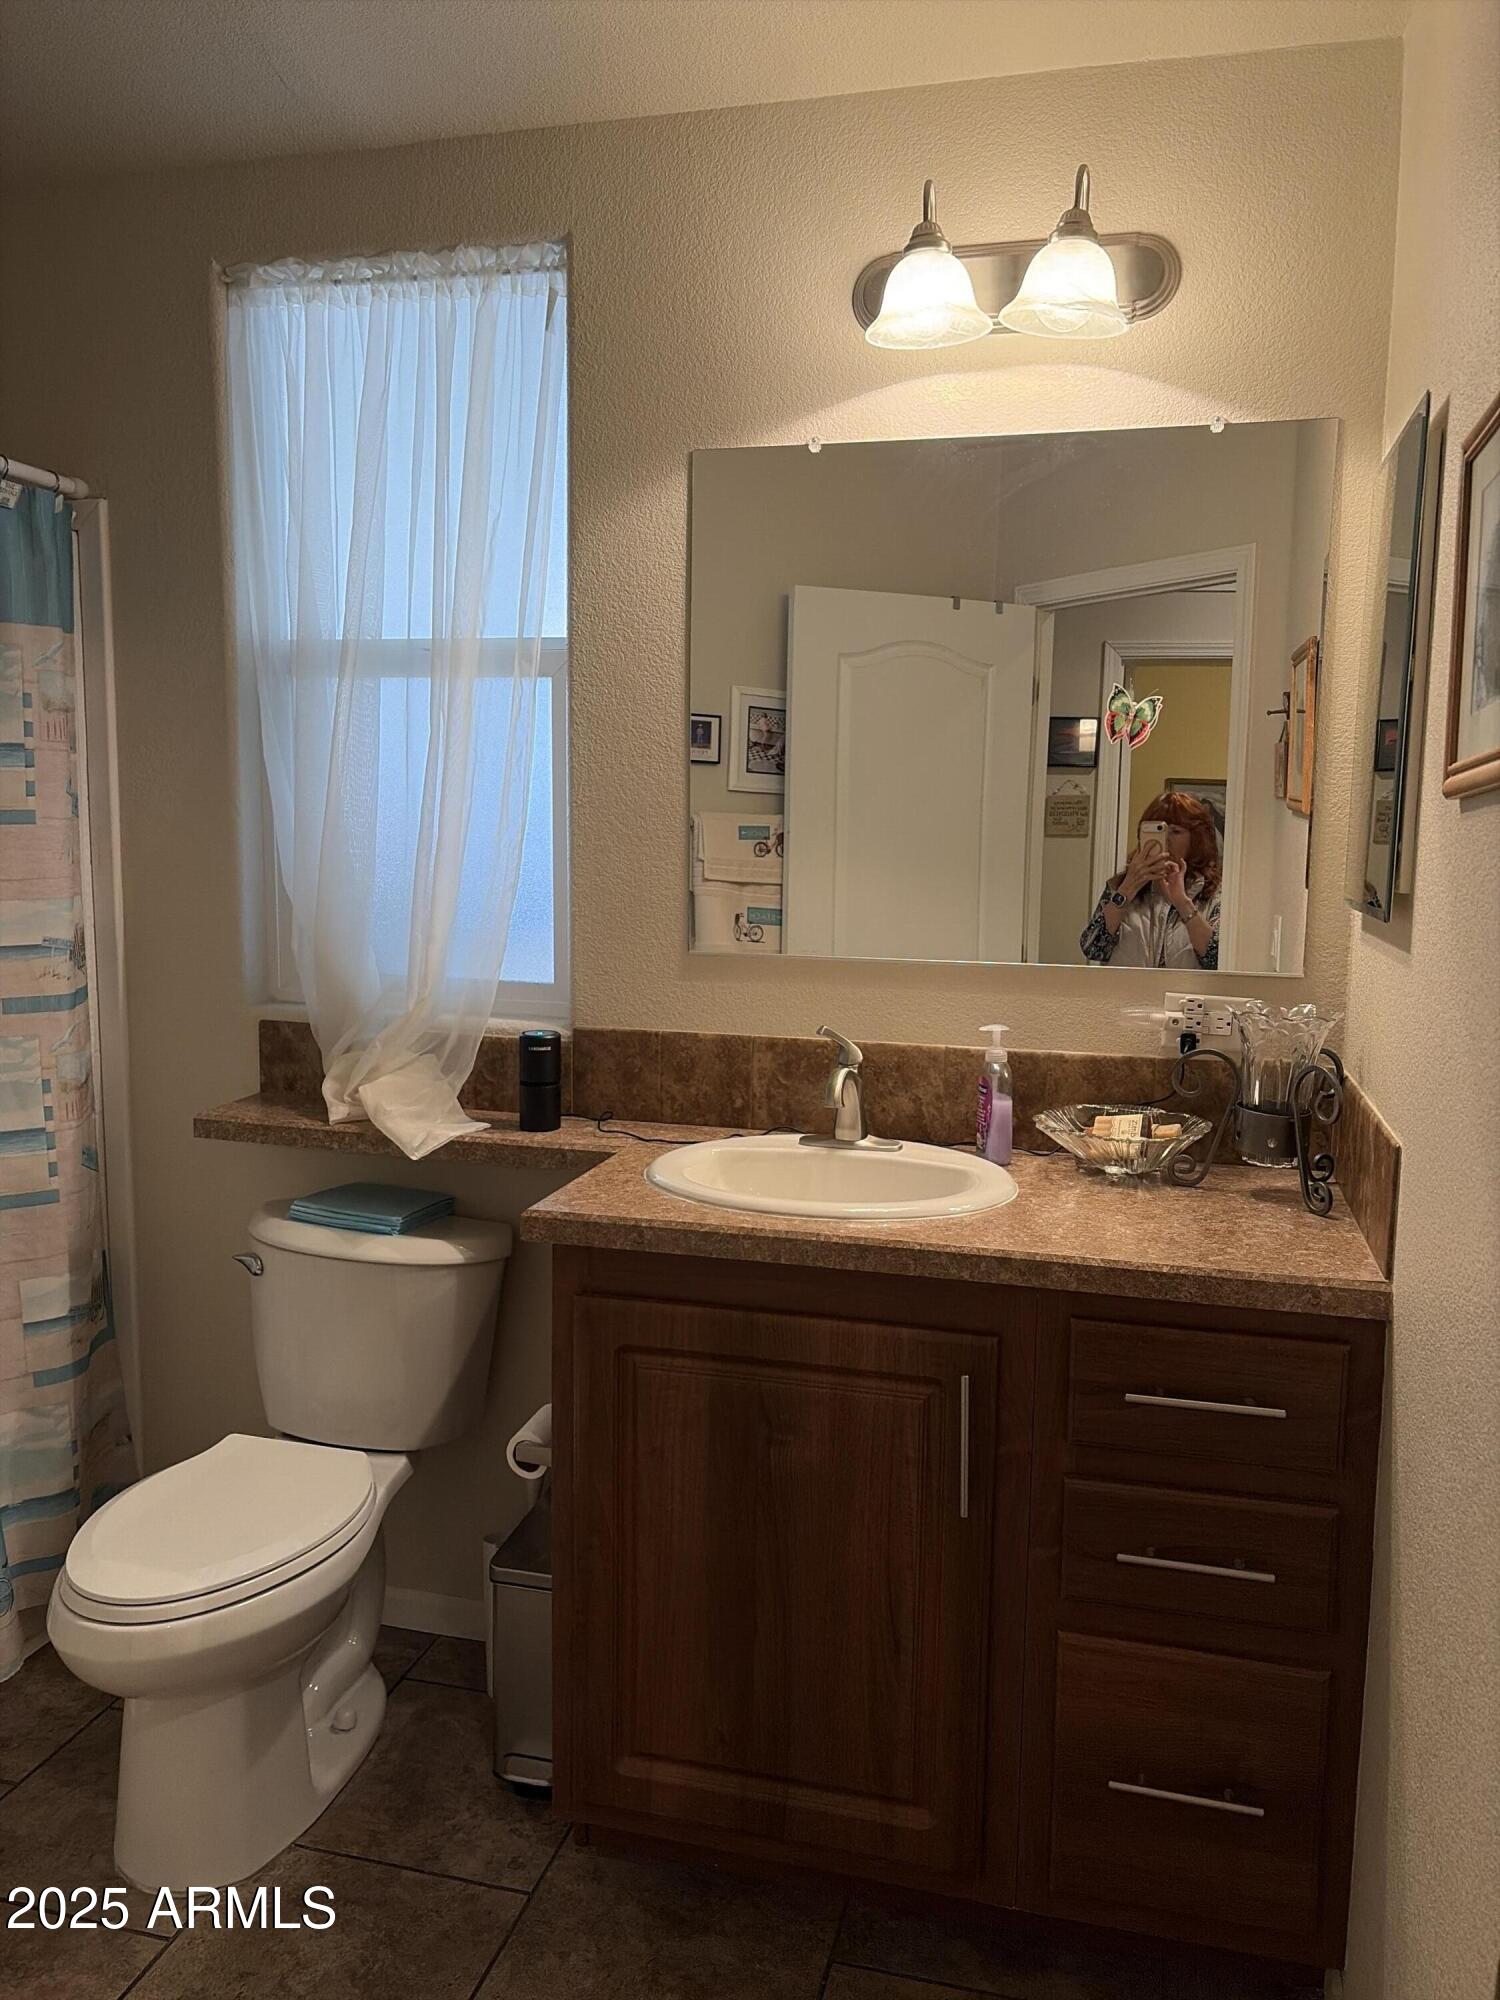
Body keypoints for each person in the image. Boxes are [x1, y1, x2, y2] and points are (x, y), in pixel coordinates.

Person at [1080, 790, 1221, 969]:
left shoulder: (1214, 892)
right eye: (1157, 831)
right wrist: (1128, 887)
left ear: (1197, 839)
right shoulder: (1121, 887)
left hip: (1185, 996)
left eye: (1175, 831)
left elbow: (1216, 959)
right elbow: (1092, 948)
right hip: (1128, 995)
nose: (1165, 840)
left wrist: (1182, 903)